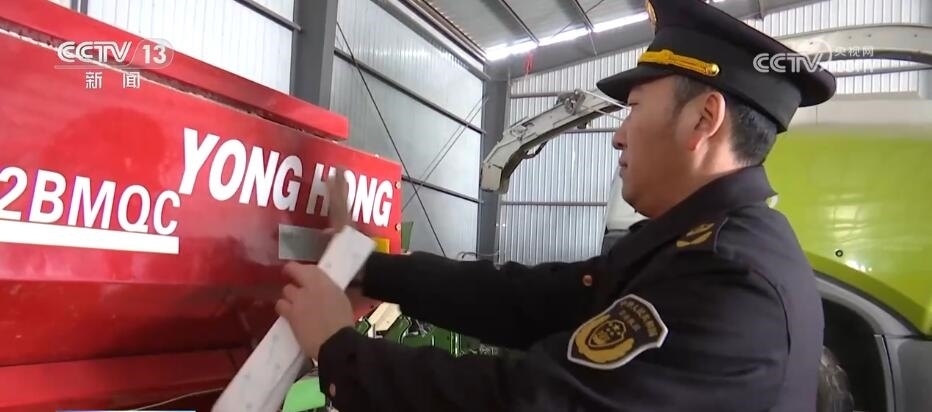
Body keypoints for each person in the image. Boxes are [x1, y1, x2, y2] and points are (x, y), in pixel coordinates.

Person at [273, 0, 837, 410]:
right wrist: (372, 269)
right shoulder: (691, 250)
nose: (619, 137)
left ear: (703, 119)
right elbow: (529, 300)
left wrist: (339, 351)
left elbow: (532, 401)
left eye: (636, 109)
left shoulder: (729, 280)